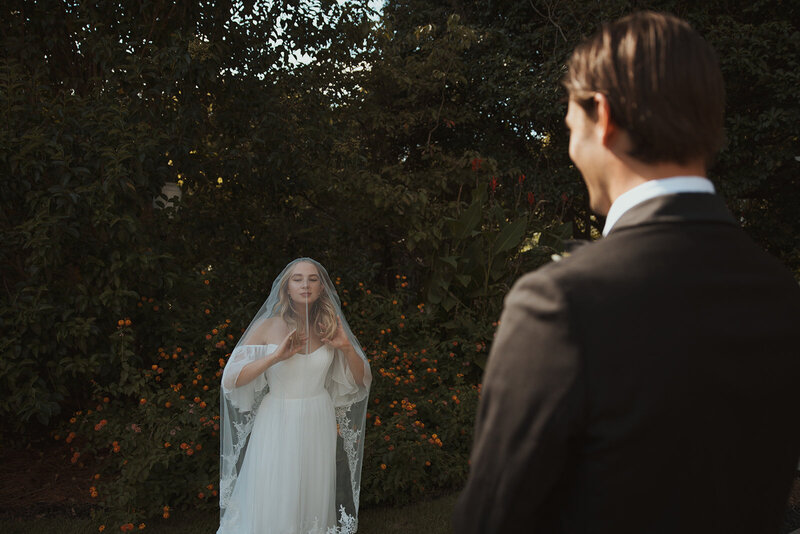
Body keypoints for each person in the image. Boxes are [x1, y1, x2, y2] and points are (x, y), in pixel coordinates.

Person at [454, 11, 800, 534]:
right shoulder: (781, 296)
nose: (571, 149)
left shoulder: (561, 303)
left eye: (572, 128)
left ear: (604, 117)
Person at [217, 258, 372, 534]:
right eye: (297, 279)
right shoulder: (268, 327)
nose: (305, 284)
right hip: (278, 418)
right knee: (277, 489)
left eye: (312, 279)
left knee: (312, 489)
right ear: (286, 288)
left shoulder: (329, 325)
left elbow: (361, 381)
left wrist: (347, 348)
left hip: (318, 418)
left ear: (321, 287)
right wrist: (275, 357)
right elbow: (230, 378)